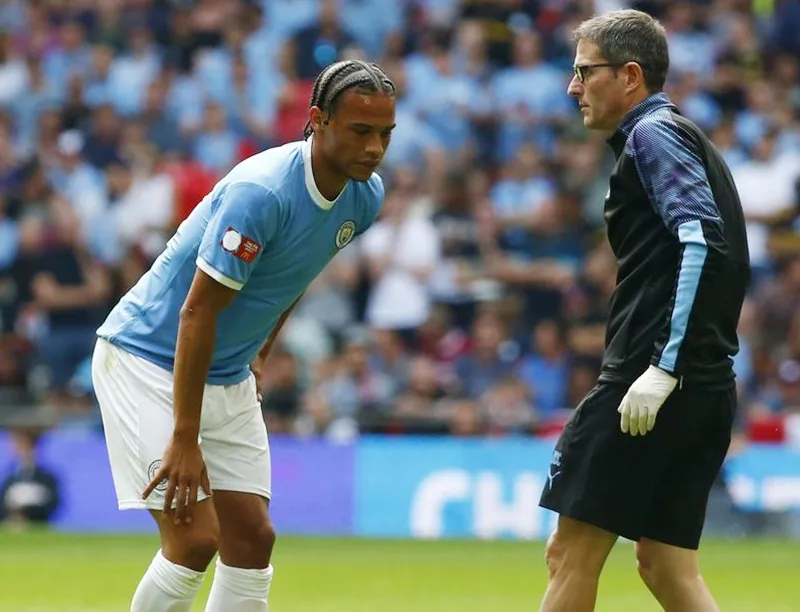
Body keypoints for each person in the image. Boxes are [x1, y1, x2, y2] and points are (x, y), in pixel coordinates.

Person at [90, 60, 396, 612]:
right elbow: (196, 314)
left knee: (253, 539)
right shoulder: (263, 192)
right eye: (360, 131)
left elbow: (297, 271)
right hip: (148, 360)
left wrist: (261, 349)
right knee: (193, 541)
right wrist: (185, 437)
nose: (375, 148)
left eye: (384, 134)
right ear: (317, 120)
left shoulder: (364, 197)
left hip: (225, 371)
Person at [538, 10, 749, 612]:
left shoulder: (652, 135)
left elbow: (703, 241)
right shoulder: (684, 137)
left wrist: (662, 367)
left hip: (648, 380)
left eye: (585, 71)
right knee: (665, 564)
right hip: (706, 386)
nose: (572, 86)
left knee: (569, 553)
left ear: (630, 76)